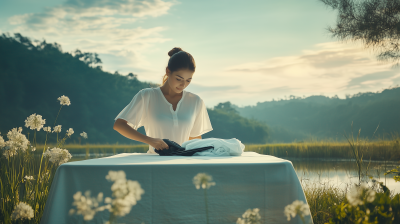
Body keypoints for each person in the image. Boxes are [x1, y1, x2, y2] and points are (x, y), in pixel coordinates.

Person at [113, 47, 213, 154]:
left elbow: (195, 139)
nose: (183, 85)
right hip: (155, 164)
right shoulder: (147, 96)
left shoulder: (196, 101)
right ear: (168, 71)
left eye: (188, 80)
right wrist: (150, 140)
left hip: (184, 164)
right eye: (179, 79)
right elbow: (119, 125)